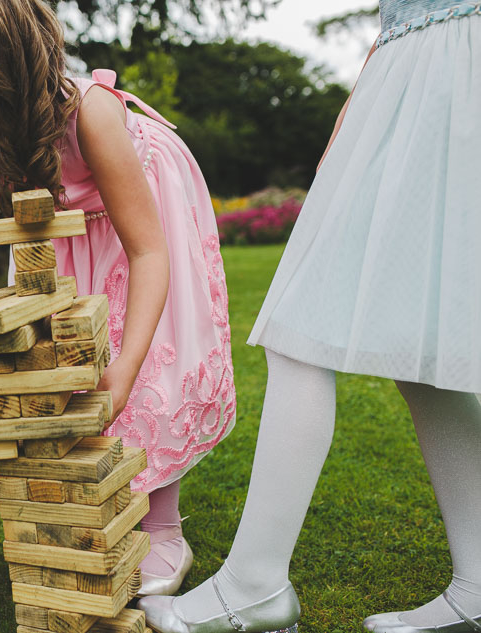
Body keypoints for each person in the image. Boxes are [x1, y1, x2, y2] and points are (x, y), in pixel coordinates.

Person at [139, 2, 481, 632]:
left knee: (302, 330)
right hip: (410, 75)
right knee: (429, 354)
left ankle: (254, 584)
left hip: (451, 73)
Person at [0, 0, 236, 596]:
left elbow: (150, 255)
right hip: (63, 230)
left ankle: (163, 527)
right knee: (63, 357)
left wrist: (123, 370)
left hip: (141, 215)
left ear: (13, 71)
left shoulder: (87, 113)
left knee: (137, 357)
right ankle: (97, 497)